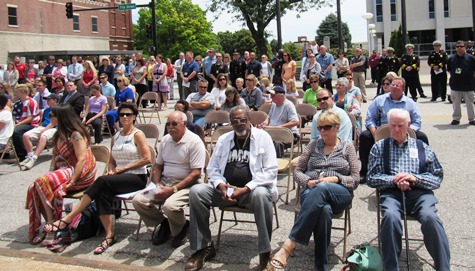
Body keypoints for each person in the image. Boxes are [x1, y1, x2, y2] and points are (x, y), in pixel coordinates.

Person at [44, 103, 152, 254]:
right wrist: (111, 169)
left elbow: (147, 159)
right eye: (121, 115)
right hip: (118, 177)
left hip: (137, 177)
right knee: (102, 192)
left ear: (134, 117)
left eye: (128, 114)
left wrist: (123, 169)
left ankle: (69, 218)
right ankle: (109, 235)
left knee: (101, 182)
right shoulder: (116, 136)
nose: (125, 117)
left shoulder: (138, 134)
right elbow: (113, 160)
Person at [185, 105, 278, 271]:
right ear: (230, 123)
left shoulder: (263, 138)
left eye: (243, 120)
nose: (239, 123)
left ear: (250, 121)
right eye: (235, 121)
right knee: (196, 192)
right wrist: (220, 185)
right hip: (225, 191)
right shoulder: (224, 139)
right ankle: (202, 248)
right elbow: (212, 168)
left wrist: (246, 188)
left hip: (251, 192)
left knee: (262, 195)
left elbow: (270, 172)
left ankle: (265, 254)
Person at [271, 110, 359, 270]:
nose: (323, 131)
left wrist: (337, 179)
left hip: (339, 192)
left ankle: (290, 244)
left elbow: (355, 179)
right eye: (320, 128)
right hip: (312, 191)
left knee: (323, 187)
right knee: (324, 211)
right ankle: (321, 265)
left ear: (337, 127)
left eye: (327, 127)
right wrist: (308, 181)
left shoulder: (347, 148)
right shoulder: (313, 145)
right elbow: (297, 171)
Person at [367, 108, 450, 271]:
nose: (396, 130)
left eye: (400, 126)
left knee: (430, 218)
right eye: (392, 126)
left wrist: (415, 178)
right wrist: (394, 179)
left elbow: (437, 176)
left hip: (419, 193)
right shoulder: (379, 147)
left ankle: (443, 267)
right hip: (392, 192)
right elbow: (371, 177)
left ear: (409, 125)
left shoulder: (421, 147)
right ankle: (392, 267)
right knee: (390, 217)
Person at [132, 111, 206, 247]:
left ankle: (182, 227)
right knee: (138, 200)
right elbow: (157, 167)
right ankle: (164, 223)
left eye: (174, 124)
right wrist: (157, 184)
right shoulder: (166, 140)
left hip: (187, 184)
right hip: (166, 181)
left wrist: (173, 189)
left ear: (184, 124)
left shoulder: (194, 142)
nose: (170, 127)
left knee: (169, 206)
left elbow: (196, 173)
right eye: (168, 124)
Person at [26, 104, 96, 245]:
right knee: (35, 186)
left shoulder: (75, 135)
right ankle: (50, 223)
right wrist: (50, 174)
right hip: (65, 169)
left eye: (52, 115)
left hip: (80, 172)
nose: (49, 117)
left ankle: (53, 224)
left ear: (61, 117)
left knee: (41, 182)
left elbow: (81, 160)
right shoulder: (58, 134)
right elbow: (55, 159)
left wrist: (73, 180)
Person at [359, 77, 428, 183]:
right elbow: (370, 119)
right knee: (364, 136)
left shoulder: (410, 103)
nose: (394, 87)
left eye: (397, 85)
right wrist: (374, 133)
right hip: (382, 132)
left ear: (403, 89)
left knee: (422, 137)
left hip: (403, 132)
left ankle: (422, 170)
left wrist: (407, 131)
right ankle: (365, 171)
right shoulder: (379, 100)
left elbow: (417, 122)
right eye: (393, 84)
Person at [20, 93, 59, 170]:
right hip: (43, 127)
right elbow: (42, 121)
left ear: (55, 100)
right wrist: (37, 128)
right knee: (26, 135)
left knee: (43, 136)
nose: (47, 101)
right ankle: (30, 155)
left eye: (49, 100)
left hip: (55, 128)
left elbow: (53, 123)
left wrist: (43, 130)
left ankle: (34, 158)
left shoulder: (58, 109)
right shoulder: (46, 110)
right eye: (46, 100)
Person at [446, 40, 475, 125]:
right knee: (456, 104)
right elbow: (449, 70)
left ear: (465, 47)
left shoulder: (471, 58)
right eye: (457, 47)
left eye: (461, 46)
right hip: (455, 85)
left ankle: (471, 119)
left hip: (468, 85)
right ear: (455, 48)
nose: (459, 48)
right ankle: (456, 118)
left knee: (470, 104)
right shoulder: (451, 58)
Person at [12, 84, 41, 162]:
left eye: (17, 92)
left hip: (31, 124)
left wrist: (17, 125)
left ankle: (23, 155)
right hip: (20, 123)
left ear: (22, 92)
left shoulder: (31, 102)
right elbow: (15, 116)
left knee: (16, 131)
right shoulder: (18, 103)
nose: (15, 93)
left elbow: (30, 119)